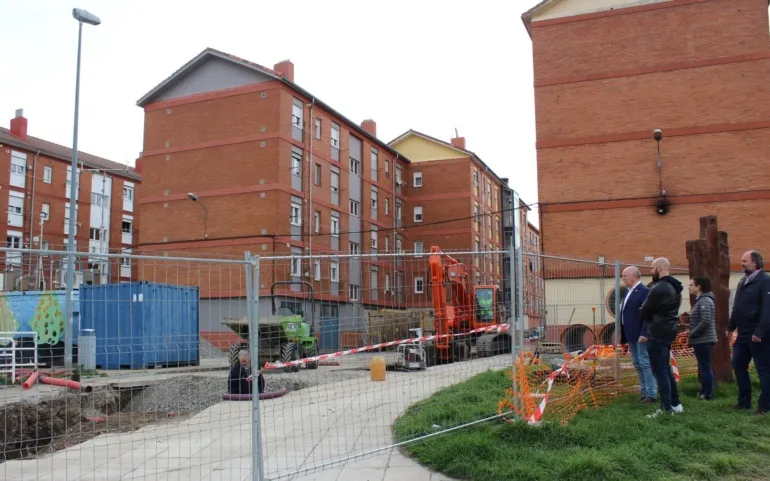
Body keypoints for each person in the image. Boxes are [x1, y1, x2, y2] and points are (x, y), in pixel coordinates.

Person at [726, 250, 770, 416]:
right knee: (737, 364)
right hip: (743, 334)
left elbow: (767, 310)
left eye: (745, 261)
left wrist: (759, 332)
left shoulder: (765, 281)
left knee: (763, 369)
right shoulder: (743, 281)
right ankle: (744, 402)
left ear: (755, 263)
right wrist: (730, 327)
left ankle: (764, 406)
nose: (742, 263)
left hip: (759, 335)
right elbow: (737, 307)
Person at [639, 257, 684, 417]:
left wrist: (644, 311)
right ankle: (675, 403)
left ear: (659, 268)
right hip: (667, 331)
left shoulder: (659, 288)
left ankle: (666, 409)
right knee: (665, 369)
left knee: (660, 372)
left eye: (652, 268)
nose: (651, 272)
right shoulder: (674, 287)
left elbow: (644, 311)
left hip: (657, 332)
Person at [620, 266, 656, 404]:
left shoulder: (643, 292)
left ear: (634, 276)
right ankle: (644, 392)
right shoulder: (629, 291)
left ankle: (651, 394)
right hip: (631, 335)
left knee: (644, 363)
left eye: (625, 275)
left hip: (640, 336)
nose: (623, 278)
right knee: (637, 363)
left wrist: (644, 332)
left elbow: (647, 315)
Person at [687, 276, 717, 400]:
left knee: (705, 367)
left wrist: (692, 333)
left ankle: (707, 393)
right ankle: (704, 391)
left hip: (704, 339)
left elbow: (705, 321)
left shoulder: (705, 301)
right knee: (704, 366)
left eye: (691, 285)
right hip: (700, 339)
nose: (689, 287)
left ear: (699, 287)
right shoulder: (700, 300)